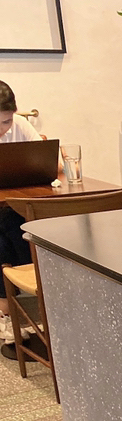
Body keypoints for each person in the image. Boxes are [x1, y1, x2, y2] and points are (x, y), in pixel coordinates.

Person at [0, 80, 42, 345]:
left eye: (6, 122)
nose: (2, 129)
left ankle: (5, 311)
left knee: (11, 226)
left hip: (13, 207)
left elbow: (50, 161)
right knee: (9, 227)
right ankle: (31, 296)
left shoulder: (20, 126)